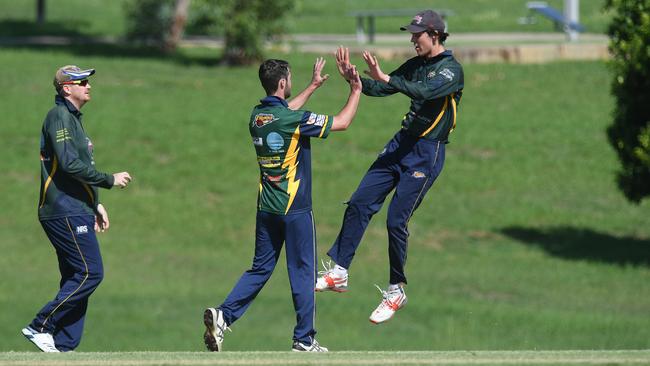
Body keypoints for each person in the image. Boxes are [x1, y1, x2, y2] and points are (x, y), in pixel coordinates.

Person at [203, 53, 362, 352]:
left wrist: (313, 86)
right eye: (290, 78)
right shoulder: (292, 119)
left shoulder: (257, 116)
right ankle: (304, 339)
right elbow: (341, 123)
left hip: (267, 209)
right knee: (303, 272)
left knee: (259, 269)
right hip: (295, 209)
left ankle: (223, 316)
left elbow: (285, 111)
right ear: (282, 82)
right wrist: (355, 90)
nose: (292, 82)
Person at [315, 10, 465, 324]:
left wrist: (385, 77)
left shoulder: (451, 71)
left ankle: (396, 290)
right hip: (401, 145)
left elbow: (421, 91)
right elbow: (384, 88)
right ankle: (340, 271)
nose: (412, 40)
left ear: (434, 35)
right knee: (360, 201)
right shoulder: (416, 65)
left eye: (417, 35)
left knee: (396, 221)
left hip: (427, 153)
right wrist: (354, 80)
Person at [21, 65, 132, 352]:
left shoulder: (73, 120)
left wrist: (95, 204)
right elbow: (69, 164)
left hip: (77, 208)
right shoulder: (59, 116)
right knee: (90, 273)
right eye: (82, 81)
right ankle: (40, 325)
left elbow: (76, 167)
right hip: (63, 209)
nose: (88, 85)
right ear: (66, 88)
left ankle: (64, 346)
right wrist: (109, 180)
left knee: (75, 277)